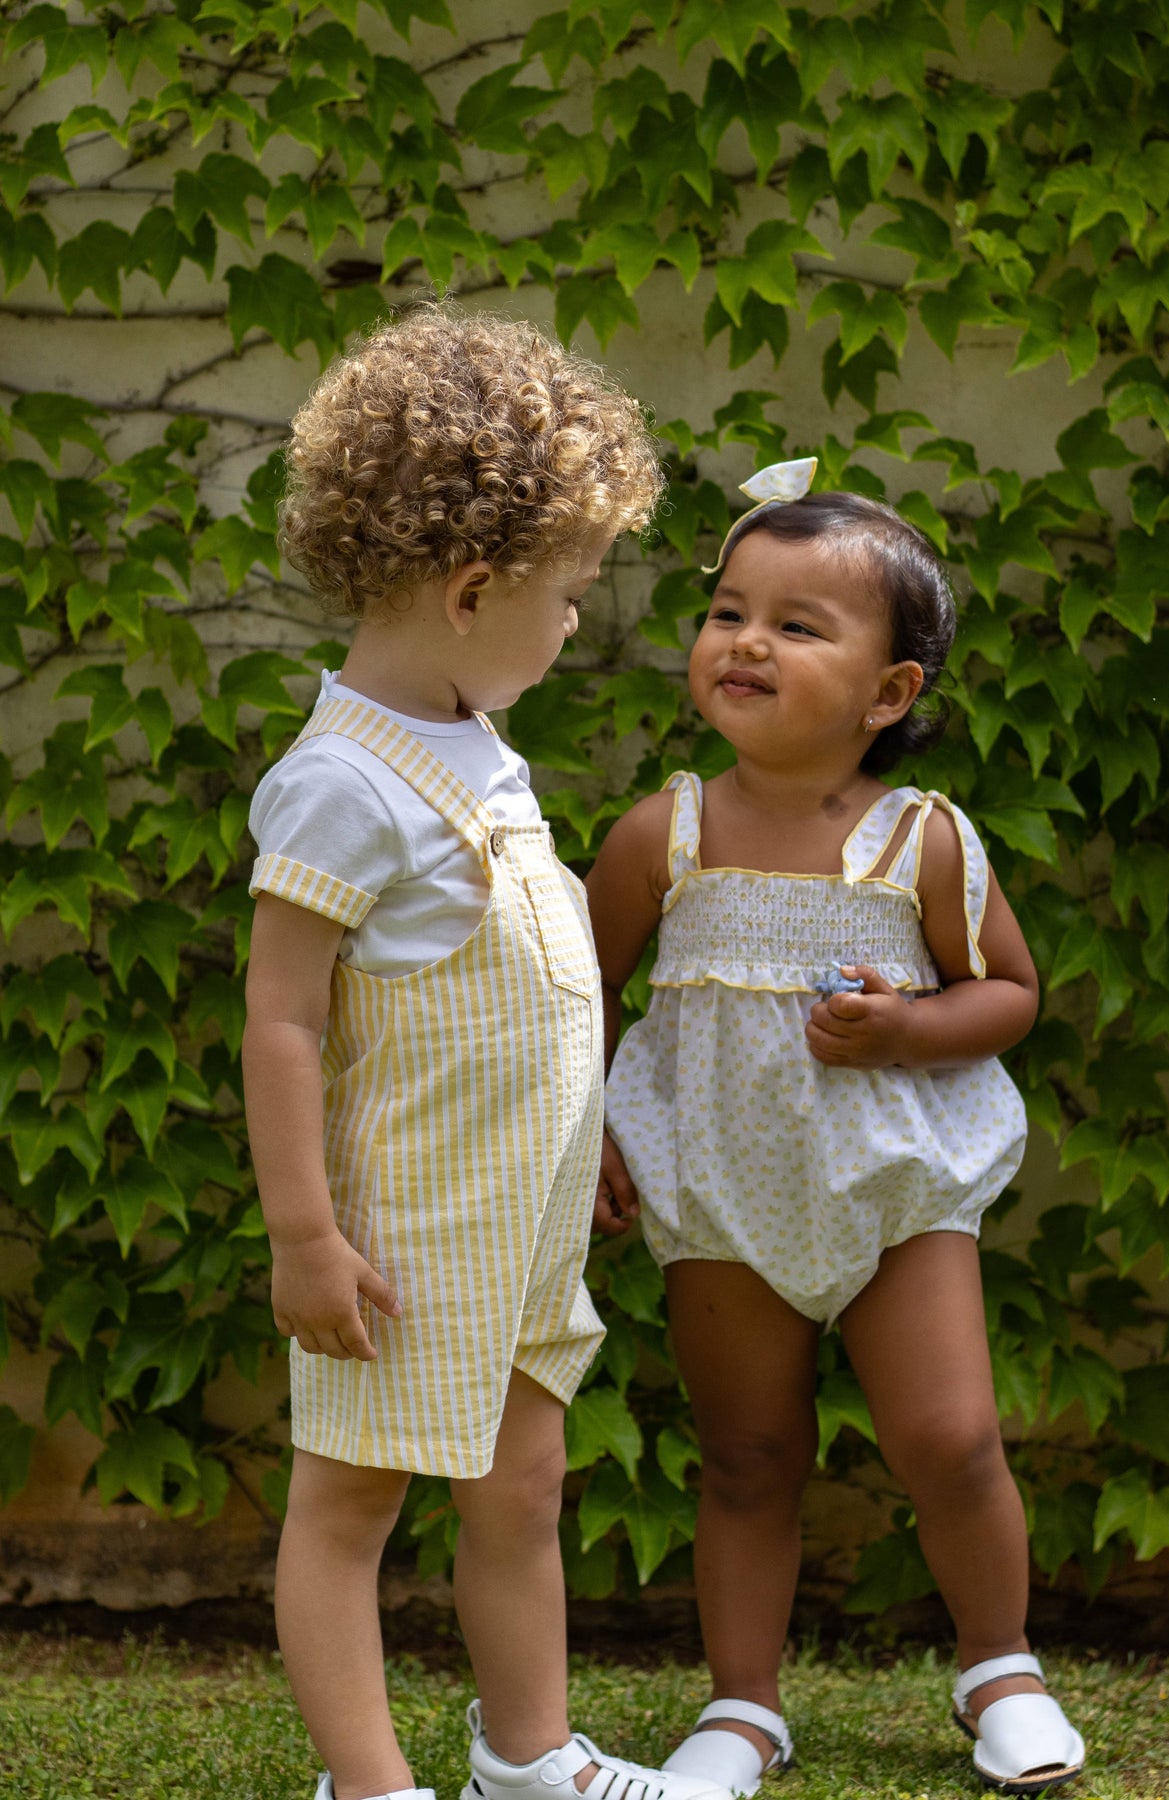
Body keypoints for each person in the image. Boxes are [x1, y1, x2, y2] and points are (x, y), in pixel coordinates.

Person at [242, 306, 732, 1800]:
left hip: (509, 1218)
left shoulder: (473, 734)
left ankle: (528, 1758)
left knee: (522, 1483)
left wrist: (569, 1153)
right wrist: (304, 1235)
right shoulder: (338, 785)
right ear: (472, 590)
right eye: (573, 592)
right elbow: (282, 1019)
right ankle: (370, 1786)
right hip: (398, 1233)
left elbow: (519, 998)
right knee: (348, 1507)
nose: (580, 622)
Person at [585, 465, 1086, 1799]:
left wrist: (914, 1029)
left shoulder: (923, 841)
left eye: (799, 626)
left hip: (893, 1185)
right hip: (717, 1190)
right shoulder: (661, 839)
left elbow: (1010, 991)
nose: (746, 641)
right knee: (746, 1452)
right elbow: (576, 996)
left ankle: (1002, 1668)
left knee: (953, 1438)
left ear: (889, 694)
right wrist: (590, 1137)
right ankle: (741, 1711)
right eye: (729, 611)